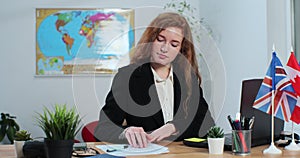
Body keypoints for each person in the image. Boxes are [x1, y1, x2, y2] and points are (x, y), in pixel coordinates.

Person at [94, 12, 214, 148]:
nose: (164, 48)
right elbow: (102, 129)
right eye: (160, 39)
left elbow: (207, 125)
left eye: (174, 44)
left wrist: (174, 126)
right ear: (151, 40)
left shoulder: (188, 78)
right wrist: (125, 132)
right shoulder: (127, 77)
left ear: (181, 50)